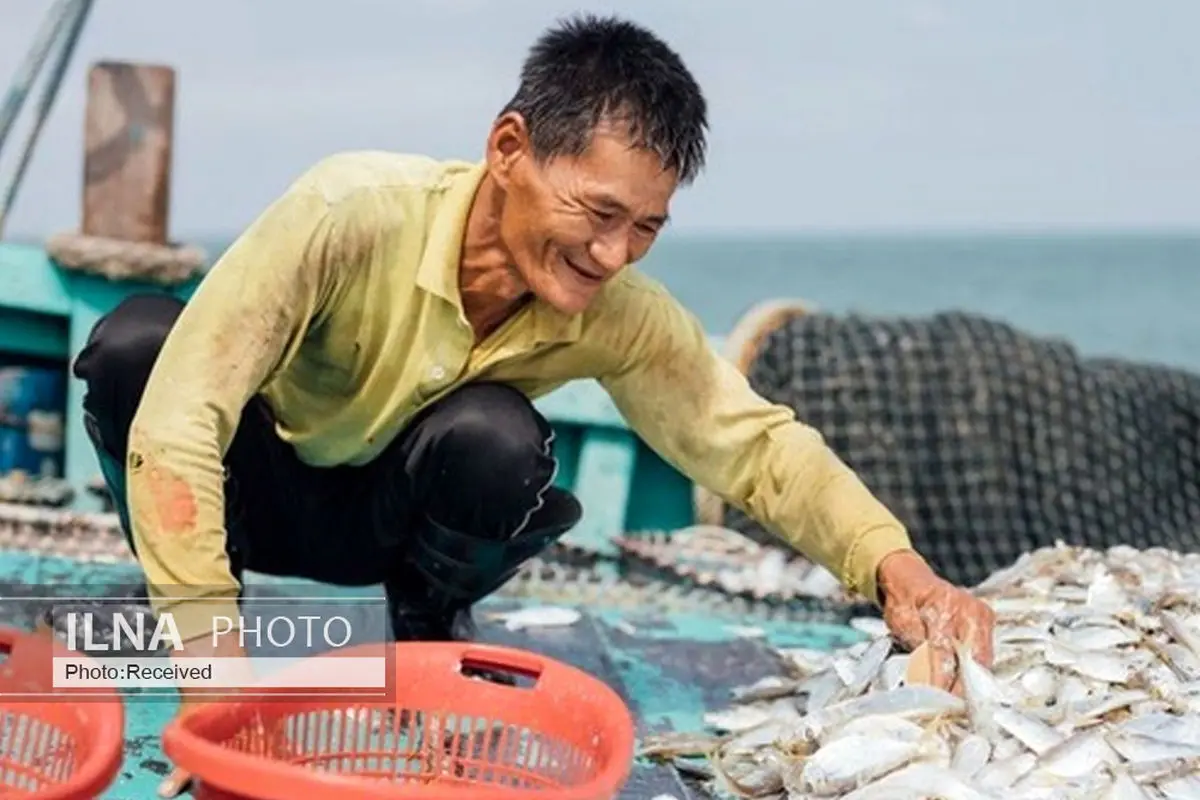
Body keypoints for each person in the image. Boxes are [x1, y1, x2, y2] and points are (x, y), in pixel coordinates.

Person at [75, 13, 994, 795]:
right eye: (598, 213)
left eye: (646, 227)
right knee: (138, 351)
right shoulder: (347, 210)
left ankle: (426, 616)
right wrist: (214, 676)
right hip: (257, 503)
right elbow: (183, 417)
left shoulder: (618, 313)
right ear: (508, 149)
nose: (614, 255)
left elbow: (750, 444)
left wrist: (893, 565)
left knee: (498, 439)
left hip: (386, 531)